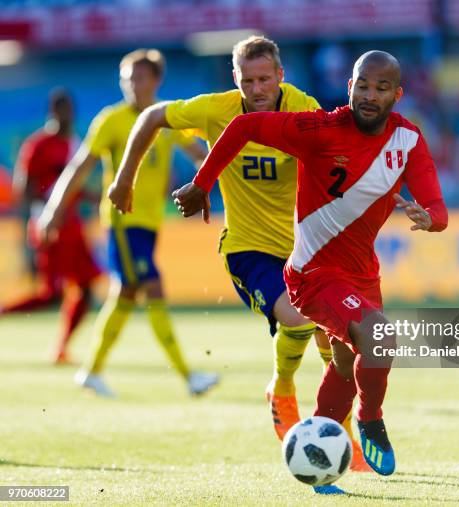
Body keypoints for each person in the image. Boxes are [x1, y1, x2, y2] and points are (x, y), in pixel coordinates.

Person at [173, 51, 448, 483]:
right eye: (361, 85)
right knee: (379, 338)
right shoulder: (319, 129)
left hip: (361, 273)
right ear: (349, 87)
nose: (369, 96)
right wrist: (202, 182)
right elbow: (243, 126)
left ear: (398, 94)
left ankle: (316, 454)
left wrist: (431, 219)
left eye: (380, 88)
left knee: (343, 363)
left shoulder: (408, 141)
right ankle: (370, 419)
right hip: (311, 273)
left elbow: (436, 204)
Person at [107, 37, 369, 470]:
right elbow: (154, 115)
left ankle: (340, 432)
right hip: (248, 249)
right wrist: (124, 178)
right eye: (248, 81)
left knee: (336, 338)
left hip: (305, 250)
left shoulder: (303, 109)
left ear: (281, 77)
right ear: (236, 80)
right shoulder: (217, 108)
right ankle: (283, 388)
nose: (258, 88)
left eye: (266, 79)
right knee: (300, 316)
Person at [37, 49, 218, 398]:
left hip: (150, 224)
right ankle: (188, 376)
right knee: (153, 287)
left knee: (125, 295)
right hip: (123, 223)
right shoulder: (112, 120)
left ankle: (91, 371)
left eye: (140, 78)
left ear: (155, 81)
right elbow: (79, 167)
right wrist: (53, 210)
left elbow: (200, 153)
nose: (133, 85)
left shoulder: (165, 118)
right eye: (127, 79)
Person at [1, 90, 100, 364]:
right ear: (53, 112)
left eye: (70, 110)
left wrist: (101, 196)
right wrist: (46, 207)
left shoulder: (75, 143)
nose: (67, 116)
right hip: (49, 225)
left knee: (86, 288)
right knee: (52, 294)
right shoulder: (38, 145)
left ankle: (61, 348)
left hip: (72, 225)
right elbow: (23, 188)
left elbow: (75, 187)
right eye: (62, 110)